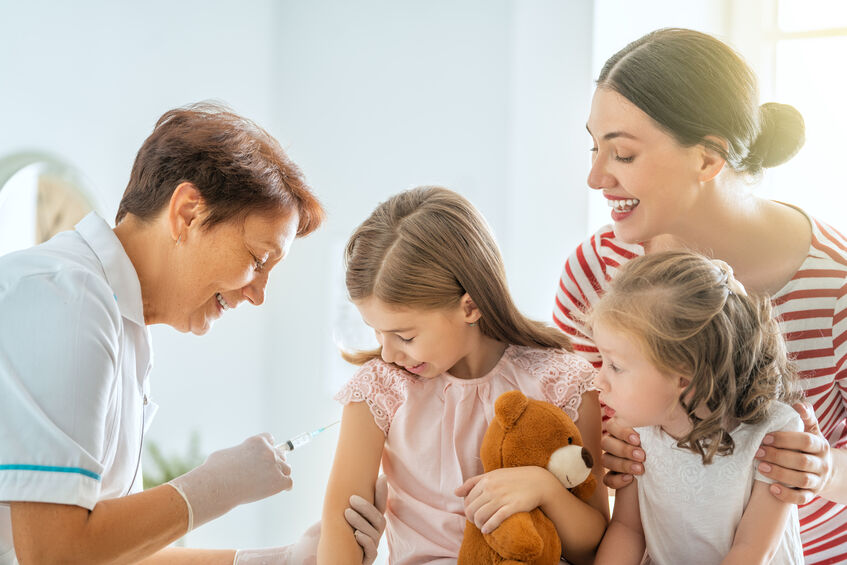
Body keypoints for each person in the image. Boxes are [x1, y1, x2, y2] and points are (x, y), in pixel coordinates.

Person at [0, 103, 384, 565]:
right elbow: (54, 553)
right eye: (258, 260)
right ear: (187, 213)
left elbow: (112, 551)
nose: (258, 294)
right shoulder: (68, 299)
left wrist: (279, 559)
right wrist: (212, 489)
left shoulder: (121, 324)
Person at [553, 28, 847, 564]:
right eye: (594, 149)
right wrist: (600, 452)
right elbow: (583, 443)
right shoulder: (594, 273)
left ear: (709, 159)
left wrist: (823, 468)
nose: (595, 177)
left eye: (621, 153)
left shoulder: (835, 283)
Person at [317, 186, 609, 565]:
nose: (388, 353)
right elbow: (340, 523)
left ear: (469, 306)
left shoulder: (561, 382)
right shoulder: (381, 390)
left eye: (405, 336)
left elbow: (593, 548)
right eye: (376, 332)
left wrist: (545, 490)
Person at [590, 251, 804, 564]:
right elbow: (627, 529)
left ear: (684, 377)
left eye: (615, 366)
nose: (599, 380)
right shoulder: (638, 427)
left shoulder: (773, 434)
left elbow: (752, 549)